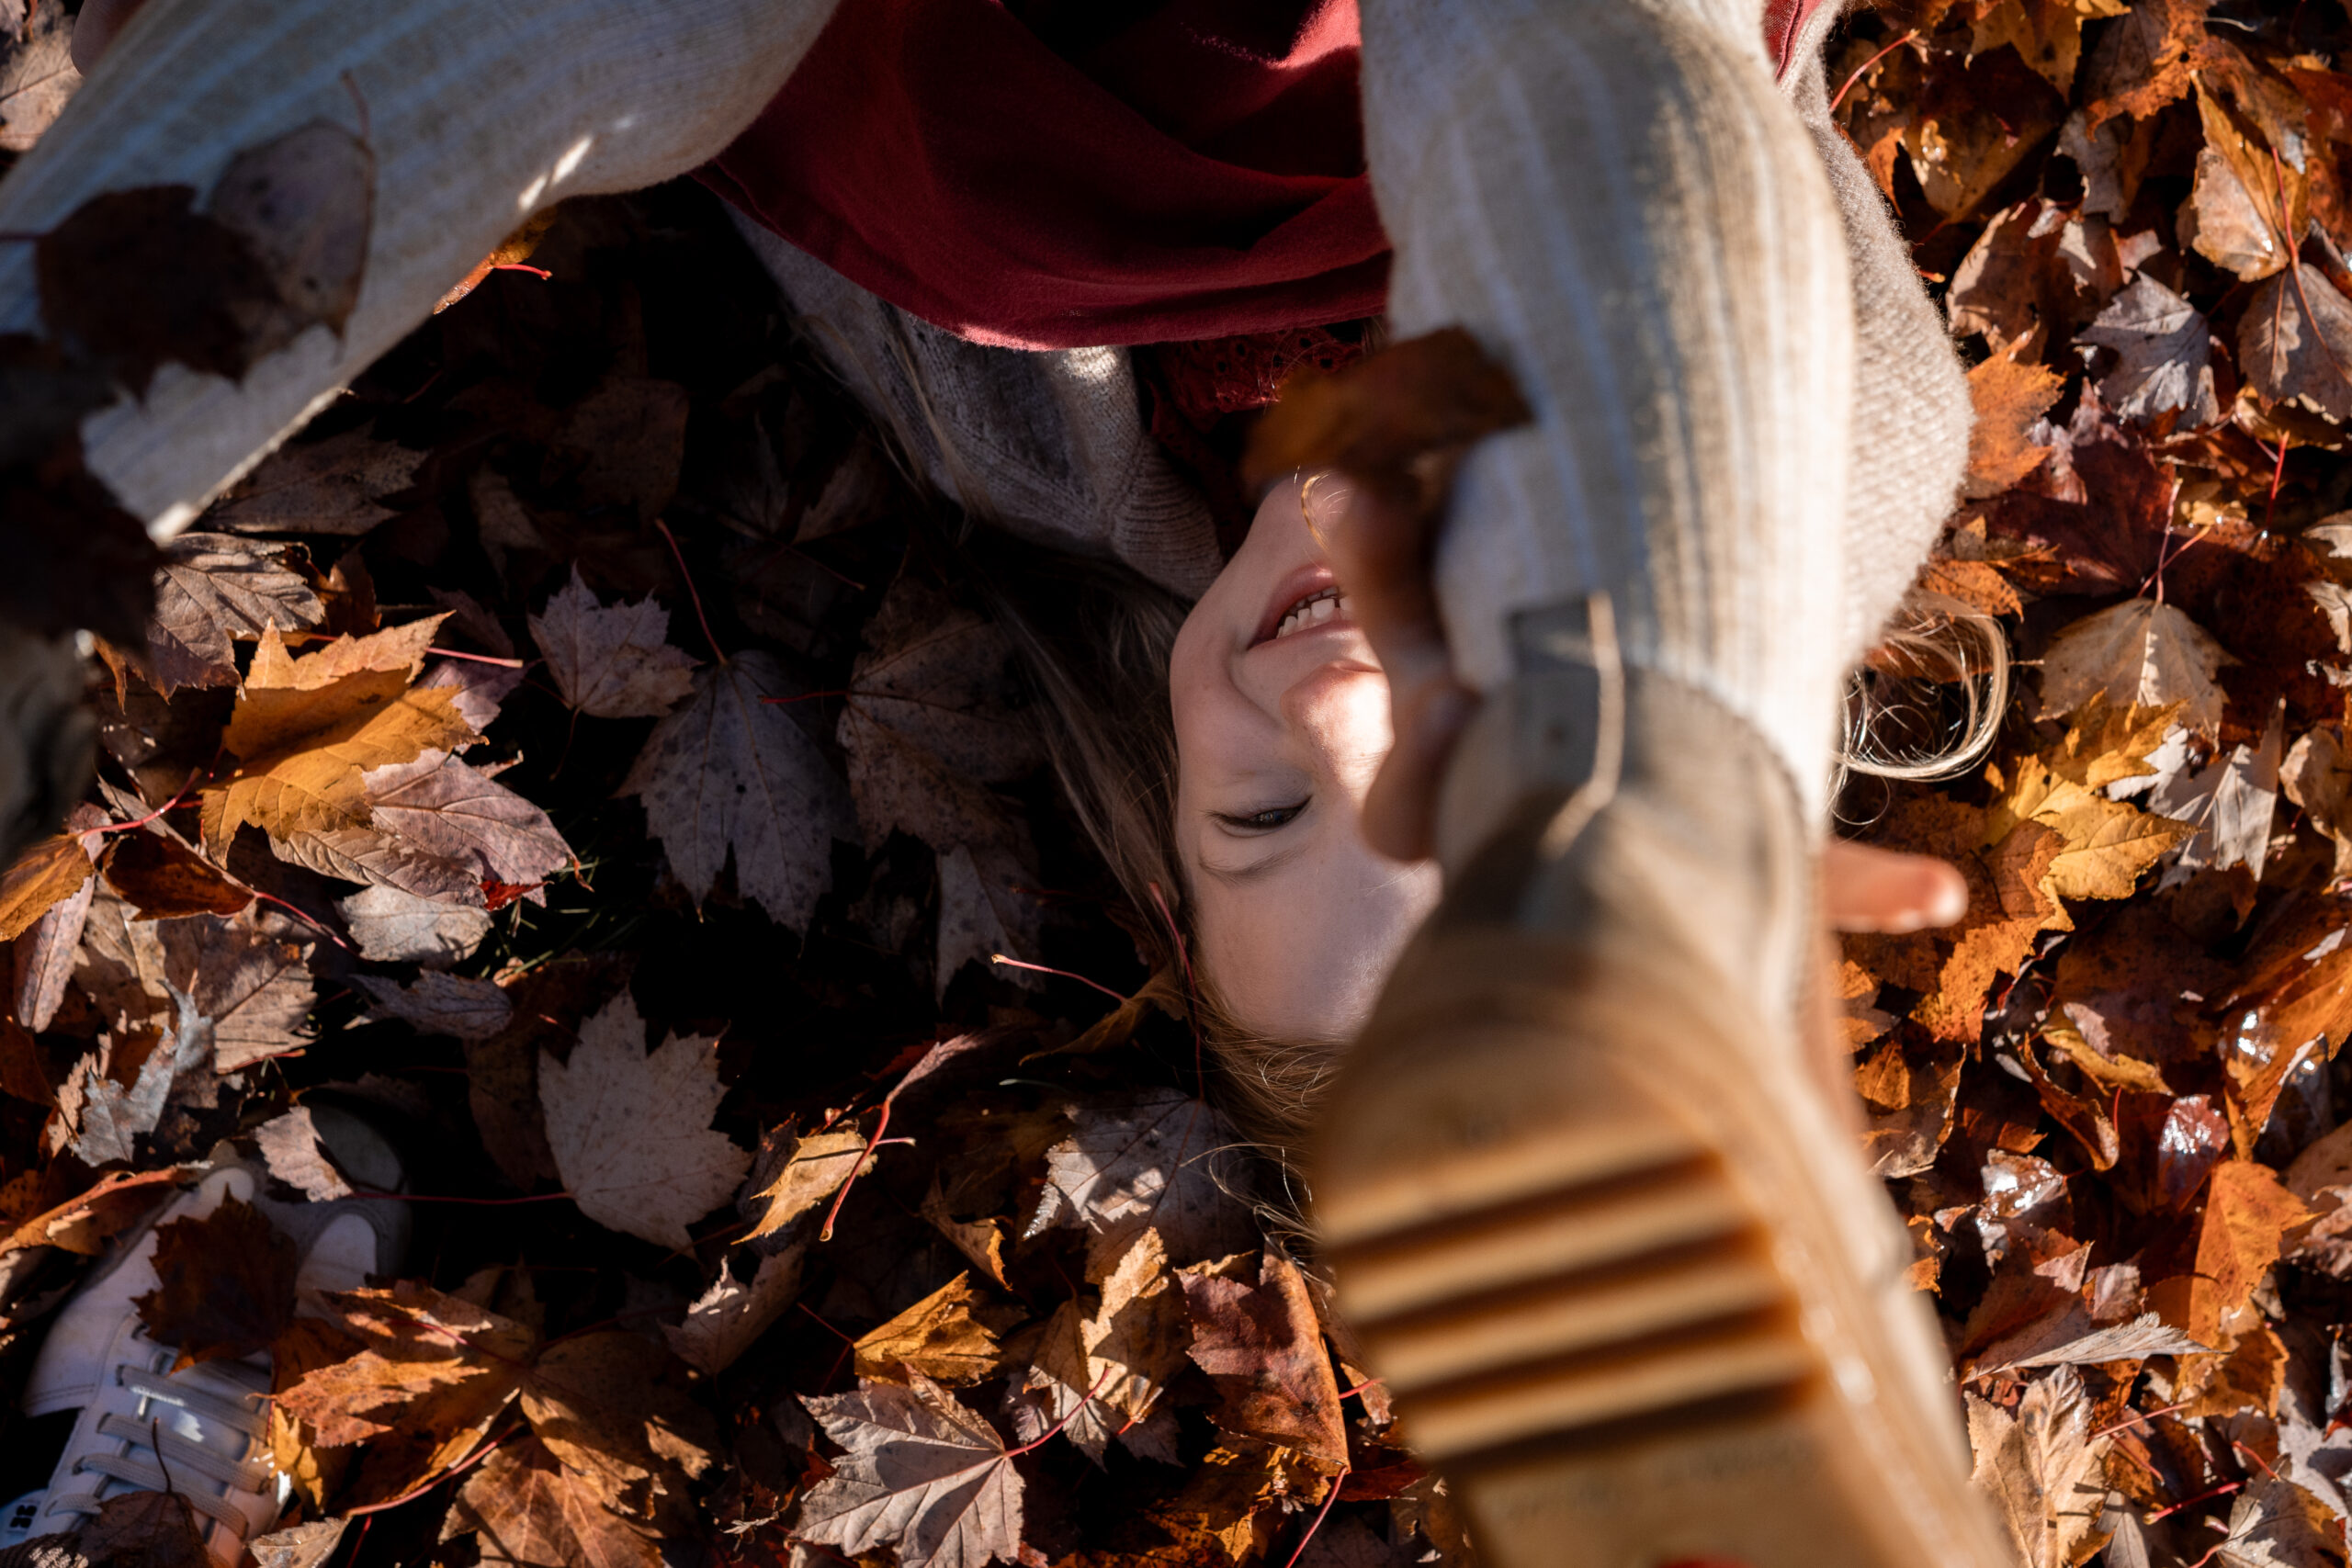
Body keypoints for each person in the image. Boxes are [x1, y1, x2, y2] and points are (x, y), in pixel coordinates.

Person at [6, 1, 2012, 1563]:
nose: (1326, 717)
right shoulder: (1798, 472)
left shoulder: (1053, 452)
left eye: (1262, 814)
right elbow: (1602, 122)